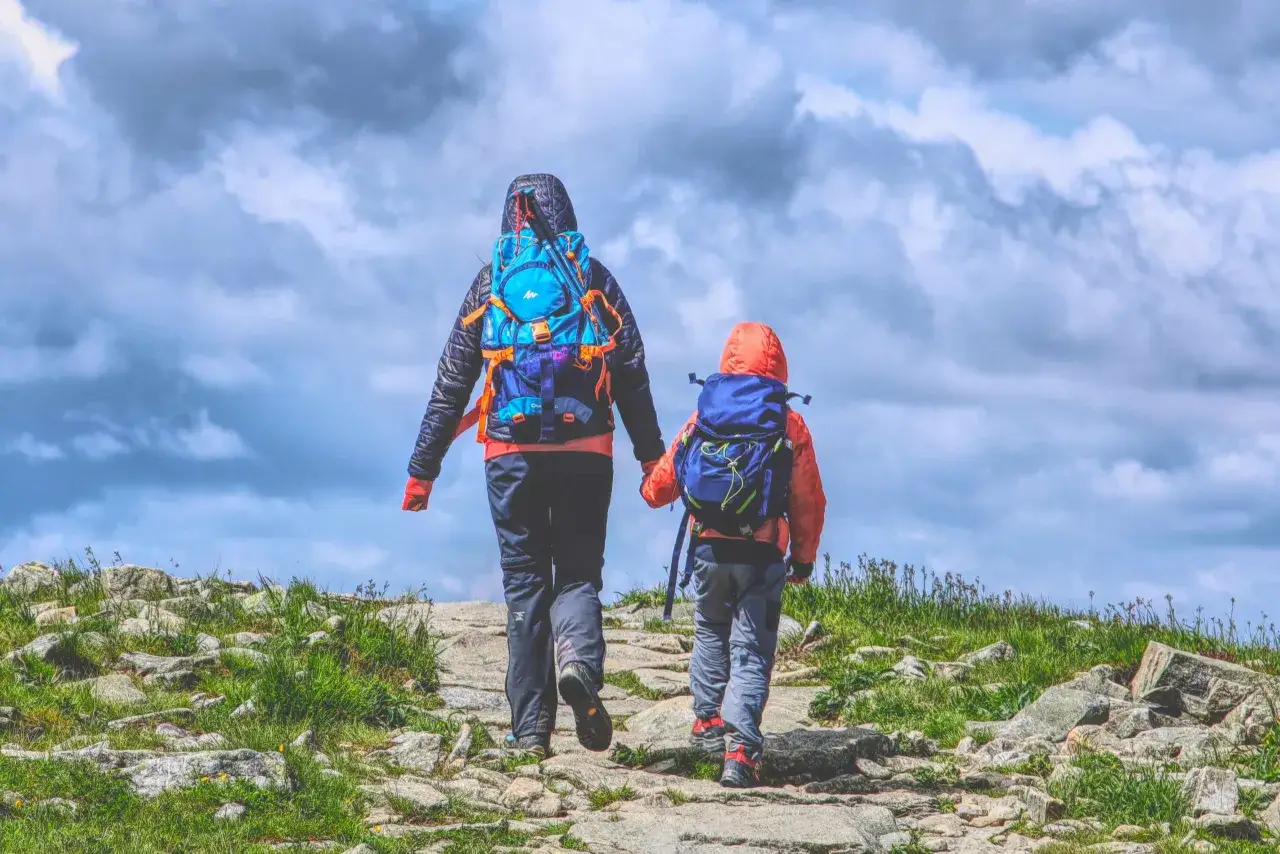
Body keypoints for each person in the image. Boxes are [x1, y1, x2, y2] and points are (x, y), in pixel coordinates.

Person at [403, 173, 665, 759]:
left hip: (509, 452)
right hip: (587, 451)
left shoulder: (491, 281)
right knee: (576, 576)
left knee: (525, 584)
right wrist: (653, 458)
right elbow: (631, 371)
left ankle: (529, 732)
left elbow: (452, 382)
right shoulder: (592, 277)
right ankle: (577, 663)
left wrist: (423, 470)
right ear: (567, 213)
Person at [640, 321, 826, 787]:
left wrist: (649, 487)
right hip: (762, 553)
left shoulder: (705, 414)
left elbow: (661, 485)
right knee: (751, 651)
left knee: (709, 631)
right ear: (778, 367)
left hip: (708, 547)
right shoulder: (789, 422)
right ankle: (741, 753)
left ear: (727, 361)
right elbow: (808, 499)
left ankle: (706, 725)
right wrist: (802, 559)